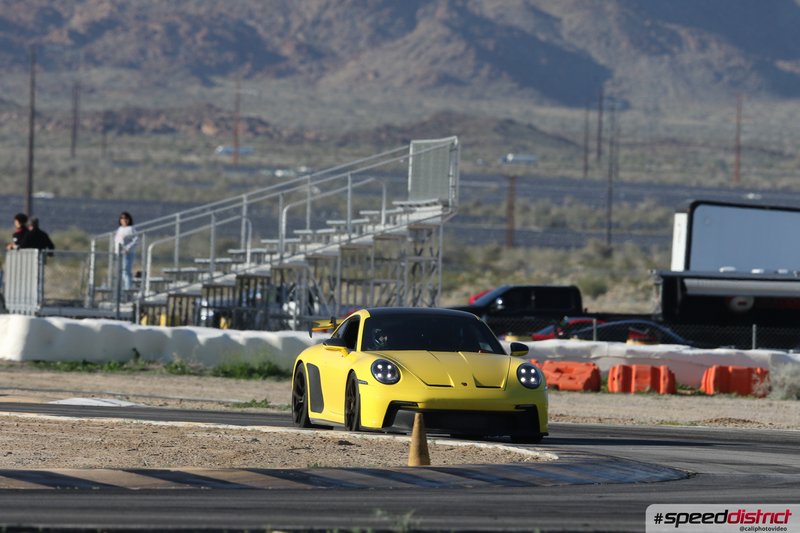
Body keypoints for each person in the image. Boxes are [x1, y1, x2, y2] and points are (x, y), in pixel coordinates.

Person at [114, 211, 138, 291]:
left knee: (126, 271)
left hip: (127, 253)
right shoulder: (120, 229)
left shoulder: (131, 229)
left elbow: (136, 240)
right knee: (120, 272)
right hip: (119, 253)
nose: (124, 220)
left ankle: (128, 289)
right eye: (122, 218)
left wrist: (128, 248)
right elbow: (118, 241)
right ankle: (121, 289)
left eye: (126, 218)